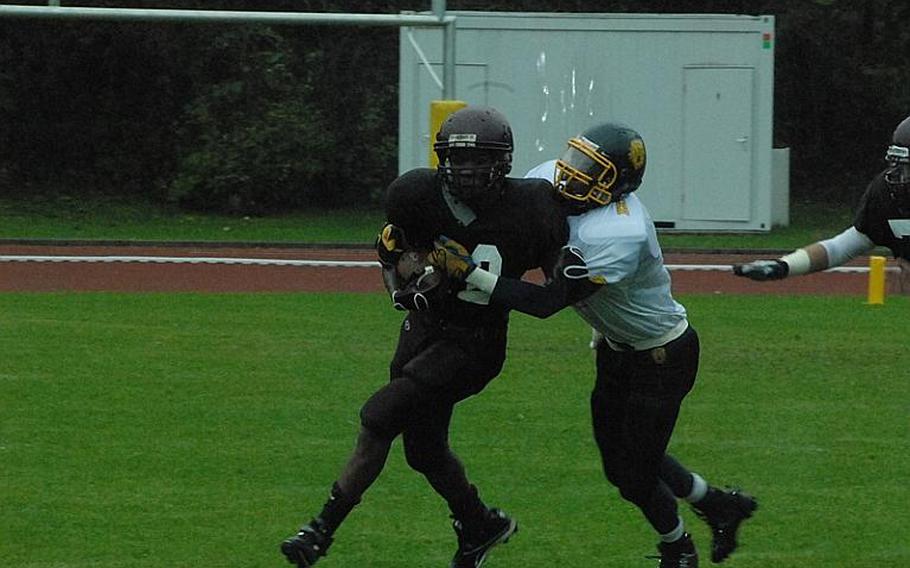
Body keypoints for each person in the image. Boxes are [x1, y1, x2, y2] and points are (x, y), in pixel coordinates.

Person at [431, 122, 757, 567]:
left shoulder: (621, 233)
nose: (572, 174)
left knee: (635, 474)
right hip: (614, 346)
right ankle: (718, 504)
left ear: (619, 184)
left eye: (592, 170)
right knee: (621, 462)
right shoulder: (551, 175)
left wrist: (471, 274)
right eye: (577, 159)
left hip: (661, 355)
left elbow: (548, 302)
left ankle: (678, 548)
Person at [280, 105, 568, 568]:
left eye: (479, 161)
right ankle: (480, 525)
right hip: (422, 331)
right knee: (424, 450)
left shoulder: (533, 206)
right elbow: (394, 259)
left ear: (504, 162)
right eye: (458, 159)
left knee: (379, 415)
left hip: (475, 344)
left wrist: (473, 277)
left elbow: (552, 298)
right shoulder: (416, 194)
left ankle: (319, 531)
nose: (467, 171)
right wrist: (405, 287)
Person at [734, 114, 910, 280]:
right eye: (901, 168)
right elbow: (843, 246)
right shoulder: (886, 193)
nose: (903, 176)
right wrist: (783, 266)